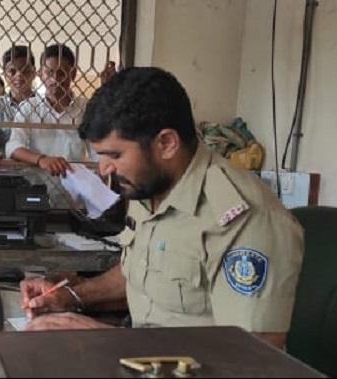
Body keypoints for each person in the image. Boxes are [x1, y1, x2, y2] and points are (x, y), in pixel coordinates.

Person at [19, 67, 304, 349]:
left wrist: (106, 338)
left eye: (115, 155)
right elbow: (142, 276)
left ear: (166, 143)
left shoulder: (243, 220)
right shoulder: (150, 187)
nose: (104, 168)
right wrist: (69, 296)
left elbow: (253, 355)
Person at [6, 44, 95, 177]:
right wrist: (42, 160)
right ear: (40, 74)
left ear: (73, 74)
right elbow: (13, 147)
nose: (55, 79)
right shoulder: (29, 108)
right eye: (49, 72)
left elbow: (97, 152)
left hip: (74, 189)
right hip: (36, 187)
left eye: (62, 73)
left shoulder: (86, 108)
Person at [0, 46, 38, 164]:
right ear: (5, 75)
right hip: (5, 171)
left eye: (25, 70)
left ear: (34, 72)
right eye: (12, 71)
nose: (19, 75)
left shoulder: (43, 105)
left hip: (39, 170)